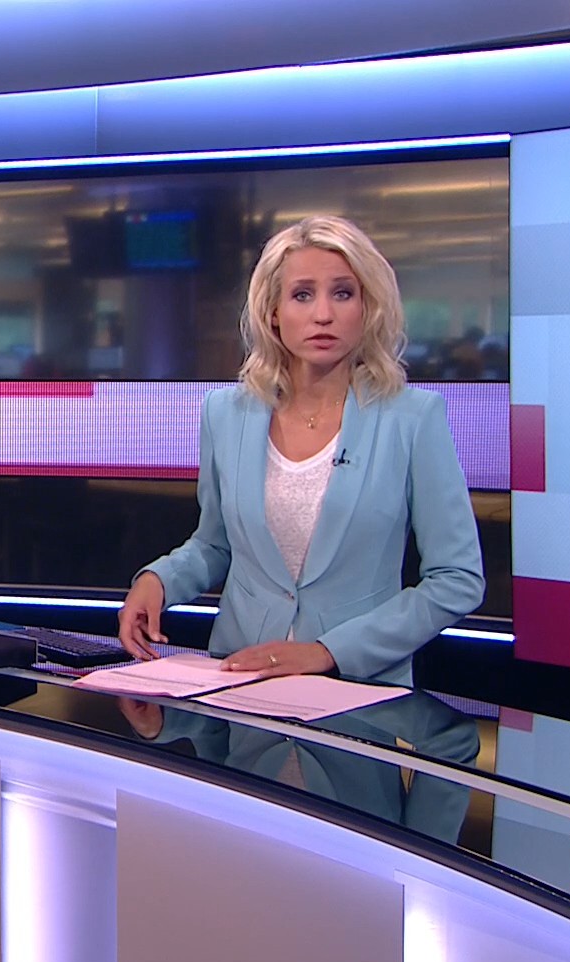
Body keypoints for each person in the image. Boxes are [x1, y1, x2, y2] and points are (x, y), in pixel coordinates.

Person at [117, 215, 482, 687]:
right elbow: (216, 544)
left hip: (356, 689)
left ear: (368, 307)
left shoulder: (412, 418)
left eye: (343, 293)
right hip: (237, 679)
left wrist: (328, 652)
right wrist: (158, 581)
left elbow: (457, 578)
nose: (323, 314)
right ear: (273, 310)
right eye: (303, 295)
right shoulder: (226, 413)